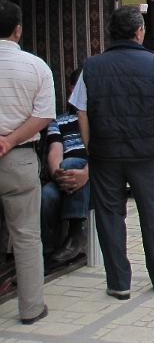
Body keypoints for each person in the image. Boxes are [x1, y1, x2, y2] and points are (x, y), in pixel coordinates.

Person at [71, 5, 154, 301]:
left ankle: (119, 282)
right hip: (147, 153)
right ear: (139, 32)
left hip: (105, 154)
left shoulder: (91, 67)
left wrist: (91, 147)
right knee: (151, 214)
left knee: (109, 217)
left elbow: (82, 112)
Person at [0, 0, 54, 324]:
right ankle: (31, 308)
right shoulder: (35, 67)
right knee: (26, 234)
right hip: (19, 160)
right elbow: (44, 115)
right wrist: (10, 140)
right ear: (18, 29)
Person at [41, 68, 89, 269]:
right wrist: (57, 174)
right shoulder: (58, 121)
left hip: (92, 174)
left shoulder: (99, 119)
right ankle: (48, 250)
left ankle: (76, 233)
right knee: (46, 194)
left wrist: (85, 173)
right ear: (71, 89)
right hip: (65, 176)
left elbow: (104, 154)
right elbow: (55, 150)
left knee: (71, 164)